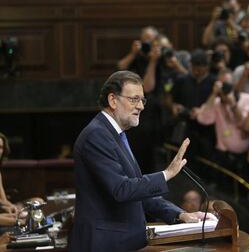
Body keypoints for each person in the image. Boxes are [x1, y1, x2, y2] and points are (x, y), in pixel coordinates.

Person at [70, 71, 216, 252]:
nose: (141, 106)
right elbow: (122, 190)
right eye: (134, 99)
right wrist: (166, 174)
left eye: (142, 100)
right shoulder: (97, 135)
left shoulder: (114, 135)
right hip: (105, 244)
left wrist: (180, 214)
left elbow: (139, 194)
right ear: (113, 100)